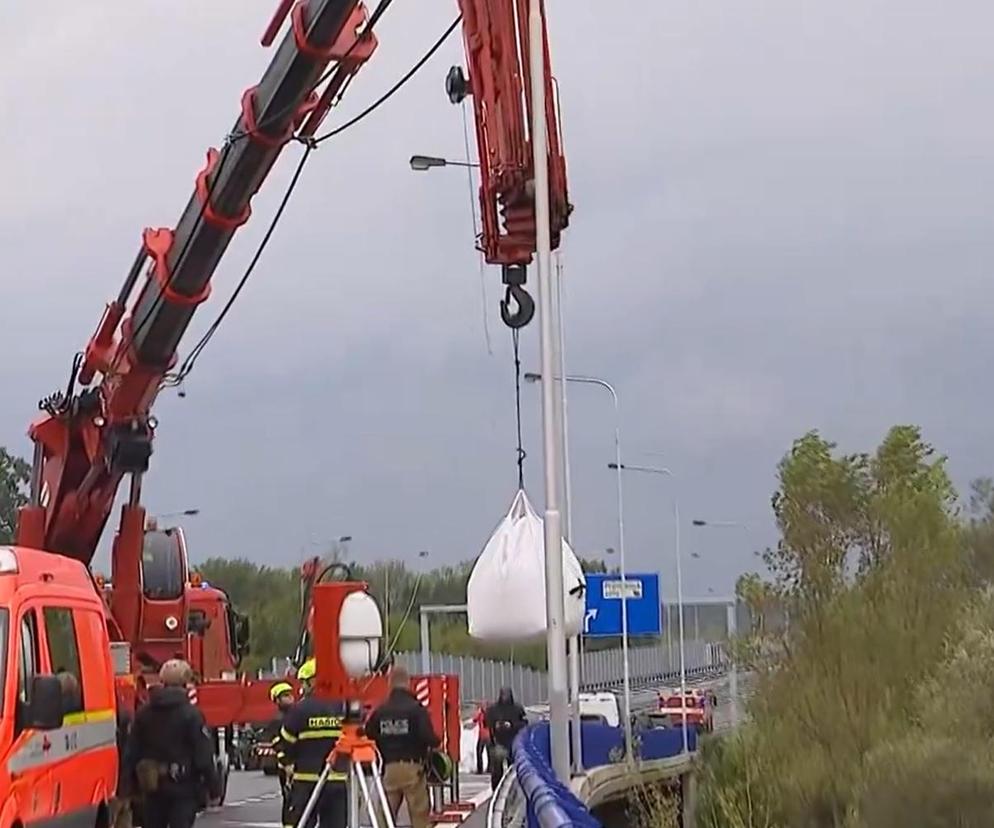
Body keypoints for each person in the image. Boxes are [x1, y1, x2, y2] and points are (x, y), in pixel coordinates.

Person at [123, 659, 220, 828]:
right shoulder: (191, 715)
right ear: (184, 683)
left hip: (152, 789)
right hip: (183, 788)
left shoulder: (144, 714)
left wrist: (126, 788)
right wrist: (214, 788)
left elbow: (131, 752)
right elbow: (204, 755)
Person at [364, 666, 439, 828]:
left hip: (389, 769)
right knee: (420, 815)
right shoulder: (416, 709)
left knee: (385, 817)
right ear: (408, 683)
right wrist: (436, 742)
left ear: (390, 684)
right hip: (413, 769)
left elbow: (368, 733)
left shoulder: (381, 711)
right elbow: (428, 737)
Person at [280, 659, 348, 828]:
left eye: (304, 682)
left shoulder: (299, 710)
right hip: (336, 783)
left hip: (306, 782)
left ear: (312, 681)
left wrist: (286, 764)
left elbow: (286, 744)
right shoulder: (341, 707)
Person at [484, 687, 527, 790]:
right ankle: (496, 789)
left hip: (514, 741)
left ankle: (514, 789)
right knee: (497, 767)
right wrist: (495, 725)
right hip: (498, 741)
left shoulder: (517, 709)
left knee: (513, 768)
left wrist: (512, 725)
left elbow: (524, 723)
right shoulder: (494, 709)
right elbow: (487, 722)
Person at [266, 681, 296, 828]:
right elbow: (278, 745)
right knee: (289, 798)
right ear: (277, 700)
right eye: (284, 696)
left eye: (290, 694)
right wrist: (287, 764)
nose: (289, 698)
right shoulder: (277, 721)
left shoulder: (297, 715)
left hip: (300, 764)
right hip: (286, 767)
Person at [472, 701, 490, 775]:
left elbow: (474, 720)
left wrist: (478, 711)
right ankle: (490, 768)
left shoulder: (481, 714)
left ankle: (480, 769)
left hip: (482, 736)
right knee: (489, 753)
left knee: (479, 752)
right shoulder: (490, 714)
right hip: (488, 736)